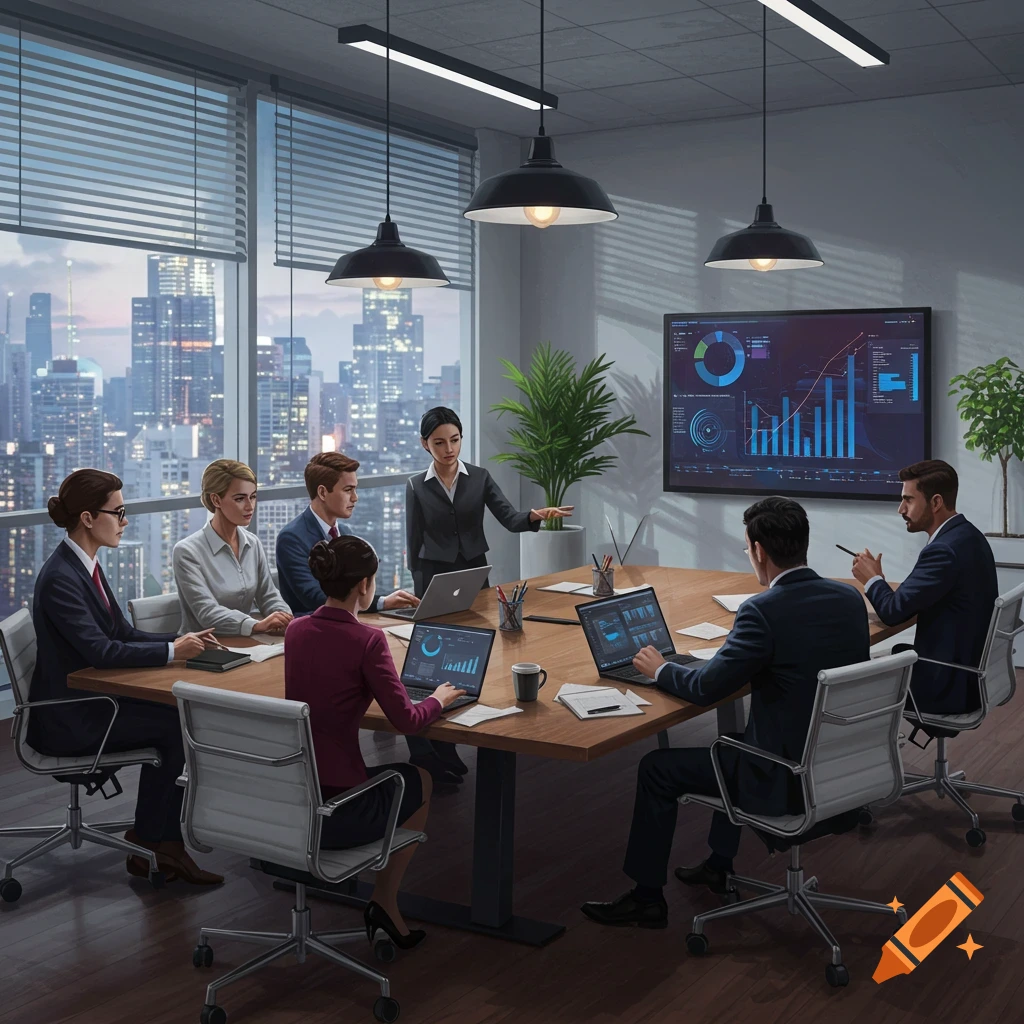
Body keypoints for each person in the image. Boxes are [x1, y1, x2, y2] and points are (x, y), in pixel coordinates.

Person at [581, 497, 869, 929]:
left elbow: (704, 689)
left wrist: (661, 670)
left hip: (785, 778)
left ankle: (646, 898)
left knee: (657, 768)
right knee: (732, 746)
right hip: (840, 765)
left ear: (758, 550)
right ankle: (718, 864)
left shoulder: (761, 610)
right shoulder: (848, 598)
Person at [28, 469, 222, 885]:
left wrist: (182, 641)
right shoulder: (62, 578)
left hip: (89, 703)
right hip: (71, 717)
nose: (125, 521)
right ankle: (156, 842)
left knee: (178, 717)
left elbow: (121, 633)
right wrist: (173, 653)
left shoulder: (84, 566)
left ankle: (158, 840)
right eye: (117, 512)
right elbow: (101, 651)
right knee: (178, 726)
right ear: (86, 518)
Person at [284, 534, 466, 948]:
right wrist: (438, 699)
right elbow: (406, 721)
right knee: (419, 777)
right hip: (340, 808)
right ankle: (384, 901)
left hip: (291, 798)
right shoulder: (368, 640)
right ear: (365, 586)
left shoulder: (295, 631)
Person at [405, 406, 573, 780]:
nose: (449, 449)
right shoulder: (416, 484)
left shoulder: (478, 478)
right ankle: (439, 749)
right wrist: (420, 599)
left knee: (470, 656)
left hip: (473, 575)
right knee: (435, 664)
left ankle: (465, 736)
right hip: (433, 577)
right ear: (424, 445)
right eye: (439, 443)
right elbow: (413, 545)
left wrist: (535, 516)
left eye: (455, 440)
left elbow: (510, 518)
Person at [852, 459, 997, 716]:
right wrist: (879, 581)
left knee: (845, 684)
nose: (900, 509)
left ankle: (876, 746)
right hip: (968, 674)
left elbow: (893, 612)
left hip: (943, 686)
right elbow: (912, 598)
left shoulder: (943, 551)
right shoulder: (969, 535)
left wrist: (872, 580)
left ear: (936, 502)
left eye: (908, 500)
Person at [276, 451, 418, 616]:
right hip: (310, 629)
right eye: (348, 490)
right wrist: (380, 602)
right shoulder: (292, 538)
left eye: (355, 489)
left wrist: (383, 602)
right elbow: (314, 597)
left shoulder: (345, 533)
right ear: (322, 493)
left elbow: (354, 590)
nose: (355, 497)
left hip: (347, 620)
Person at [173, 459, 293, 637]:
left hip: (249, 642)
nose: (249, 506)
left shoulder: (253, 543)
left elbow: (268, 595)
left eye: (252, 497)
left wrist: (284, 618)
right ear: (216, 500)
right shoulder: (187, 552)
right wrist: (256, 626)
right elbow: (207, 613)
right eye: (239, 499)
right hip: (205, 649)